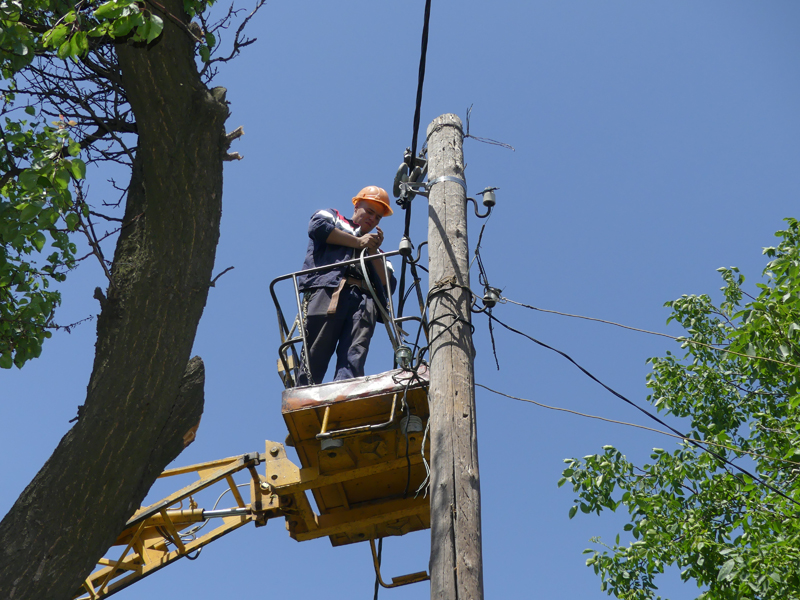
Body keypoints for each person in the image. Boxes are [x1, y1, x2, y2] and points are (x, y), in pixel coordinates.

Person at [296, 186, 396, 386]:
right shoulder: (334, 217)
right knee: (316, 349)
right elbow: (317, 228)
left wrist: (371, 250)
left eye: (378, 217)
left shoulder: (378, 252)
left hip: (364, 302)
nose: (373, 219)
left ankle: (346, 390)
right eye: (370, 212)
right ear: (356, 205)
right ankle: (305, 390)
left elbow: (388, 285)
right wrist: (359, 243)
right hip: (329, 290)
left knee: (354, 354)